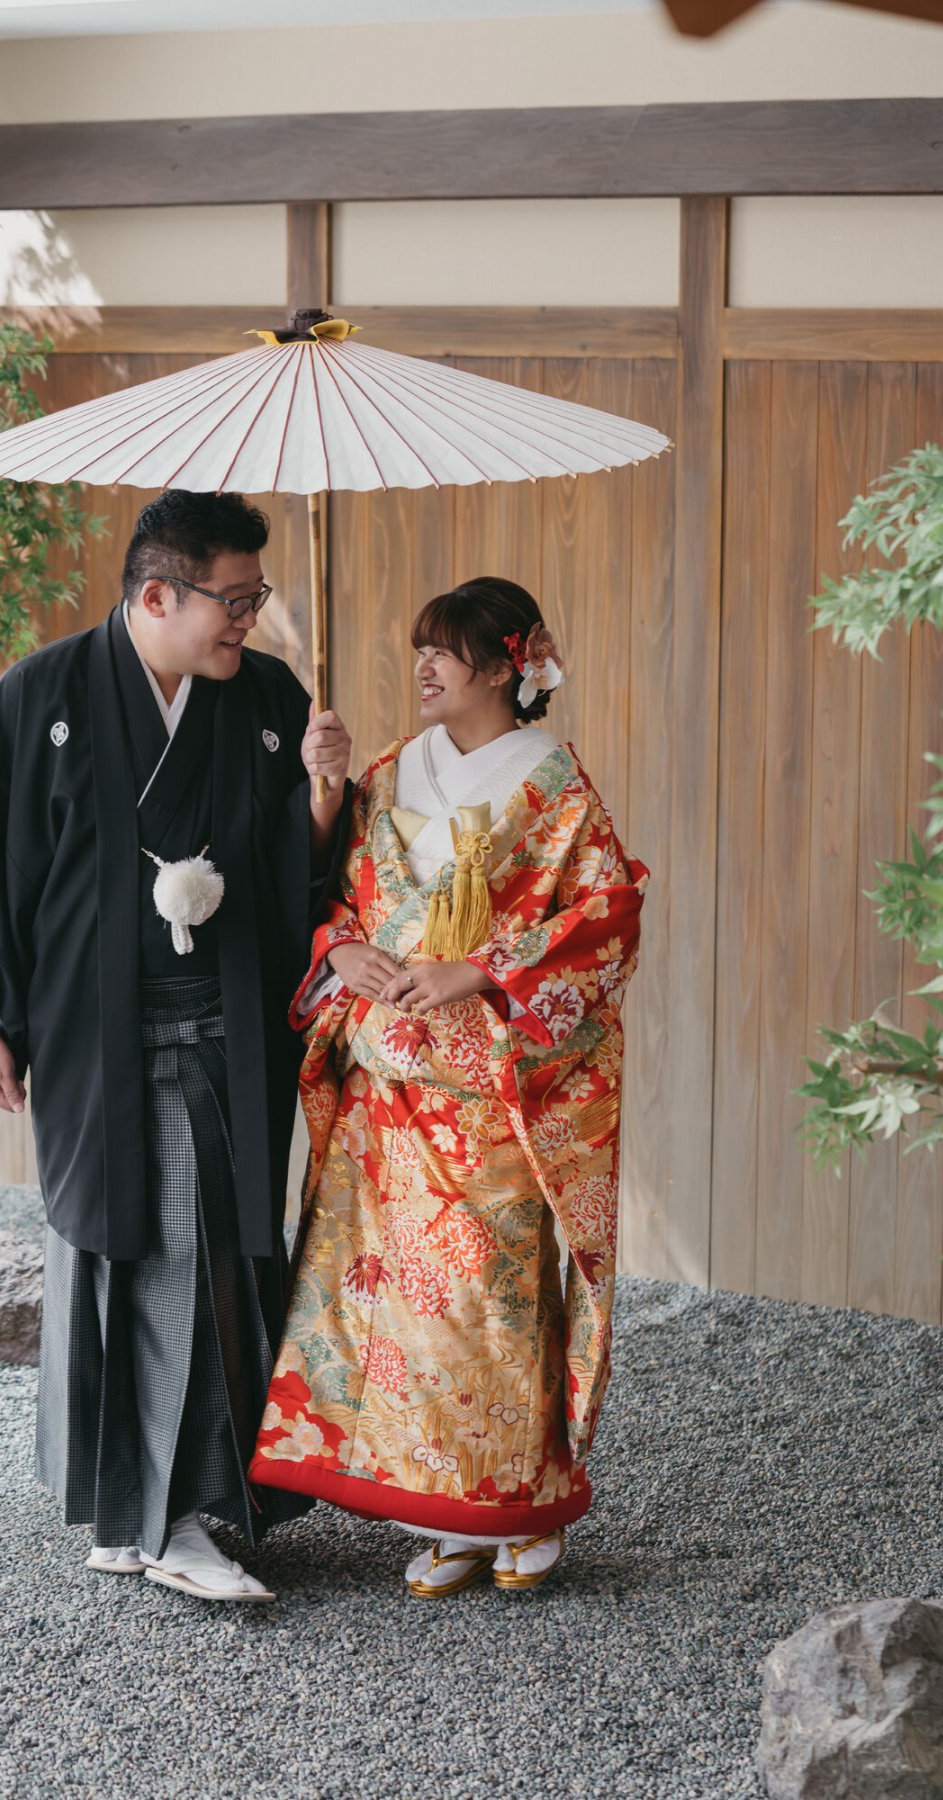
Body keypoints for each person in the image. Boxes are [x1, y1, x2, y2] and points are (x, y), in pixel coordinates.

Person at [0, 490, 352, 1603]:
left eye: (257, 598)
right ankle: (161, 1521)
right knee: (136, 1250)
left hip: (227, 1030)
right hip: (95, 1033)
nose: (249, 620)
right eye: (234, 601)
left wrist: (325, 793)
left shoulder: (267, 697)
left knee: (208, 1250)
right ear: (158, 595)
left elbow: (299, 867)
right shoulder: (41, 695)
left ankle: (141, 1512)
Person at [249, 576, 647, 1597]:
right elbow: (332, 896)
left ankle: (521, 1499)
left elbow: (606, 917)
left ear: (509, 664)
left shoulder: (555, 788)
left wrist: (480, 970)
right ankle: (442, 1506)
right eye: (421, 647)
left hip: (487, 1089)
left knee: (487, 1302)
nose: (423, 666)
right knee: (391, 1307)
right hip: (385, 1085)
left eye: (446, 650)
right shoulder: (386, 770)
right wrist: (338, 926)